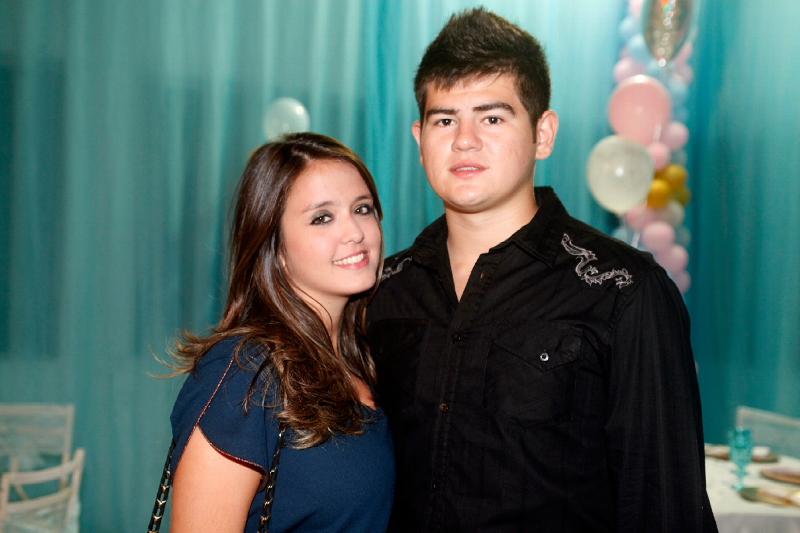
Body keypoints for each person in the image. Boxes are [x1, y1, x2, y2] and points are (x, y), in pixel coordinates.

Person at [367, 8, 717, 532]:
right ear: (419, 139)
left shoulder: (622, 291)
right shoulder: (382, 291)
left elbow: (664, 505)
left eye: (492, 118)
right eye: (445, 120)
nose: (464, 140)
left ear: (543, 133)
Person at [166, 132, 394, 532]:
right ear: (276, 249)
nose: (355, 232)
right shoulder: (246, 371)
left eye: (362, 209)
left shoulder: (365, 358)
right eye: (322, 218)